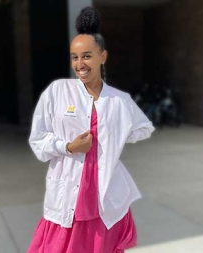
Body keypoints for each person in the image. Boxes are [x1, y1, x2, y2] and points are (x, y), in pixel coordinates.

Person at [27, 7, 155, 253]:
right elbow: (38, 139)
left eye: (86, 56)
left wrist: (118, 135)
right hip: (68, 194)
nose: (79, 64)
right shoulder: (58, 91)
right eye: (74, 57)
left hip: (105, 194)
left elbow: (144, 128)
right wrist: (67, 146)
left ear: (102, 57)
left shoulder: (119, 99)